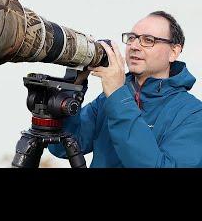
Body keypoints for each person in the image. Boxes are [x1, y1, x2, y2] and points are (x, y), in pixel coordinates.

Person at [48, 11, 202, 167]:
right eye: (132, 38)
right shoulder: (108, 98)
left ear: (174, 52)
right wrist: (73, 87)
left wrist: (118, 98)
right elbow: (62, 147)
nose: (134, 46)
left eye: (148, 40)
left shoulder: (193, 114)